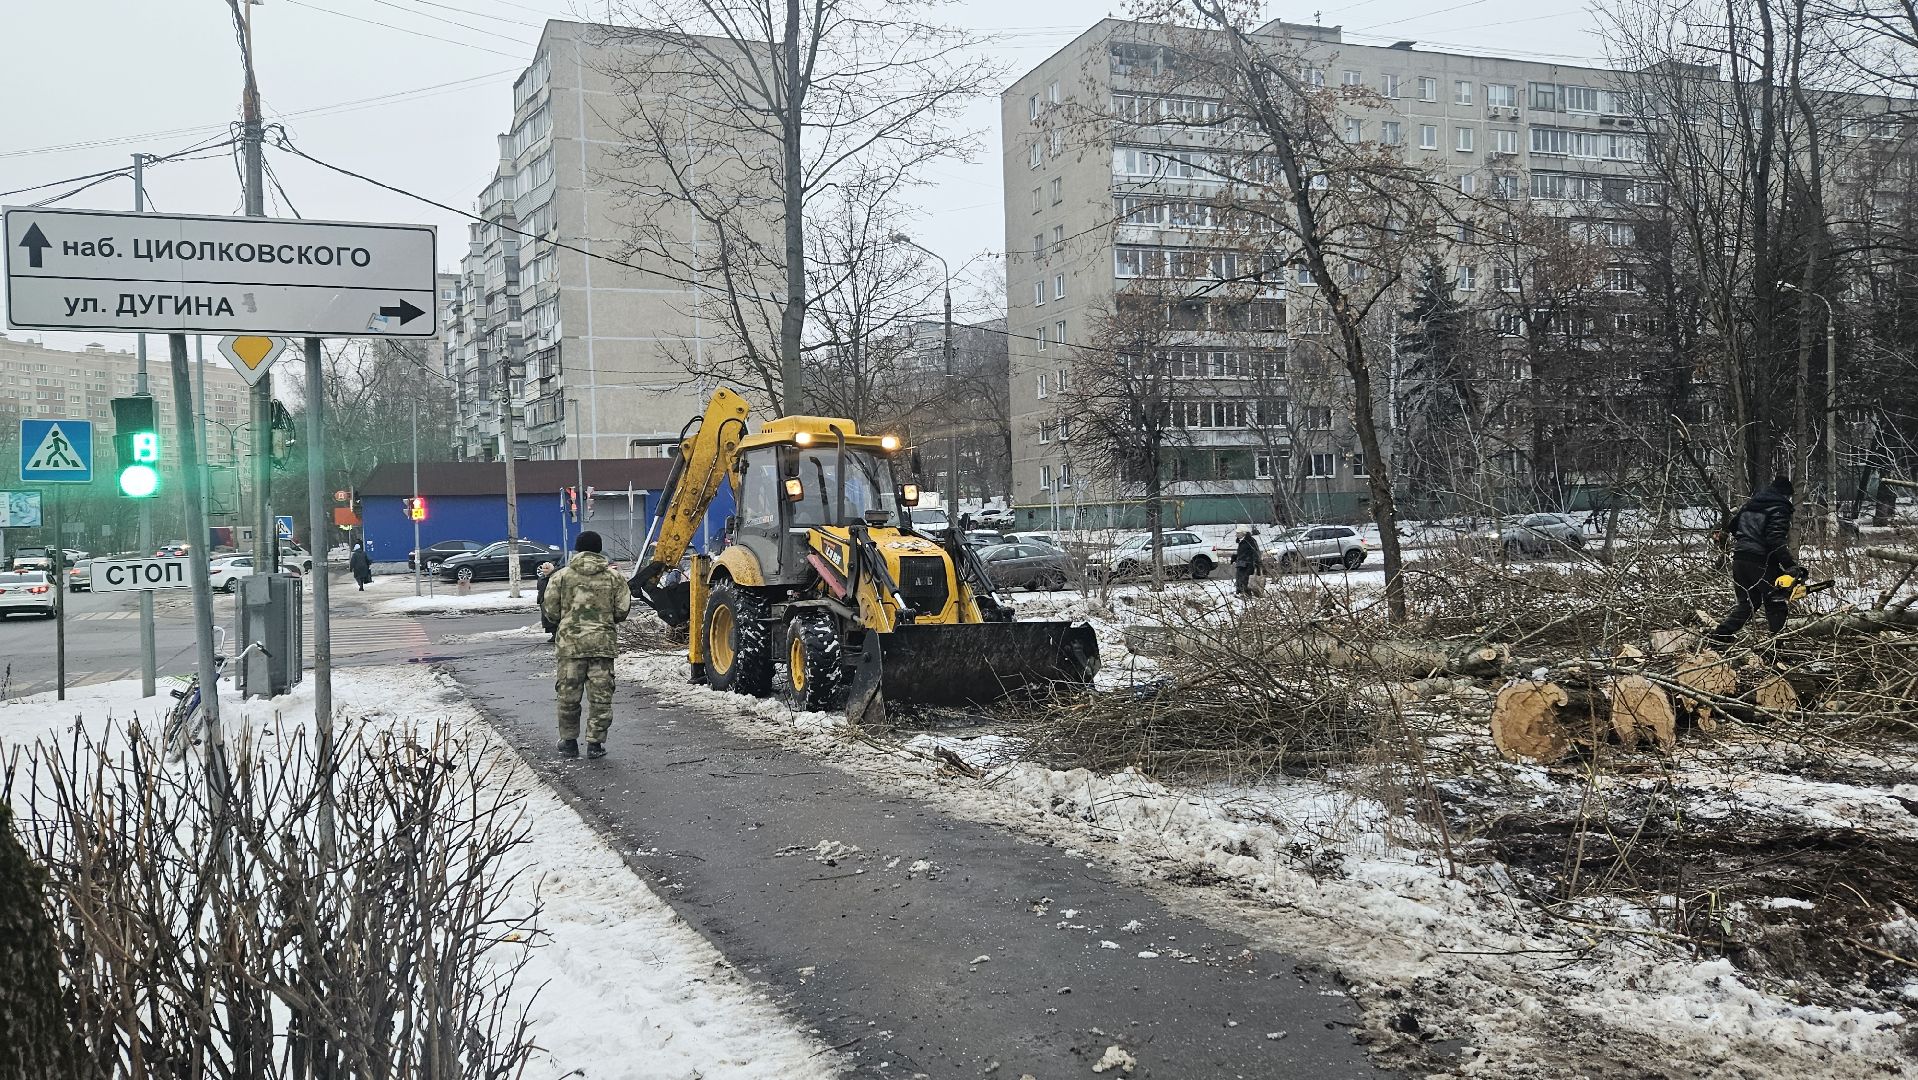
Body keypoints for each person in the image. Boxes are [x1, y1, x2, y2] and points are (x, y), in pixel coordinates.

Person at [540, 531, 632, 759]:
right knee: (601, 697)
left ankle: (569, 742)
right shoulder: (614, 578)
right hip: (602, 645)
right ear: (599, 550)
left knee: (568, 695)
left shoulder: (561, 577)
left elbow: (550, 611)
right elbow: (622, 610)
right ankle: (595, 745)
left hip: (570, 647)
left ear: (577, 549)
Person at [1709, 475, 1804, 643]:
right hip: (1760, 560)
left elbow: (1732, 526)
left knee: (1749, 602)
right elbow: (1775, 539)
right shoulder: (1779, 508)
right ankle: (1776, 645)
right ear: (1785, 494)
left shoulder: (1751, 505)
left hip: (1740, 559)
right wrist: (1790, 565)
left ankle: (1721, 635)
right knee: (1776, 601)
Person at [1232, 525, 1262, 597]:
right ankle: (1240, 592)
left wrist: (1256, 562)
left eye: (1238, 533)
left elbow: (1255, 552)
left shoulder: (1250, 541)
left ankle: (1246, 594)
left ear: (1243, 533)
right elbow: (1242, 552)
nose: (1236, 535)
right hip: (1241, 563)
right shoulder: (1242, 541)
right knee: (1239, 578)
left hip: (1248, 563)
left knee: (1245, 579)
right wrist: (1235, 557)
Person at [534, 561, 558, 639]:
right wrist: (539, 600)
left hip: (552, 600)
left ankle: (556, 634)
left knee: (553, 618)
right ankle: (553, 634)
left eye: (547, 568)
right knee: (546, 619)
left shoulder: (555, 578)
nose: (545, 570)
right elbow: (539, 590)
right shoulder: (541, 579)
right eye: (543, 568)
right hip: (543, 601)